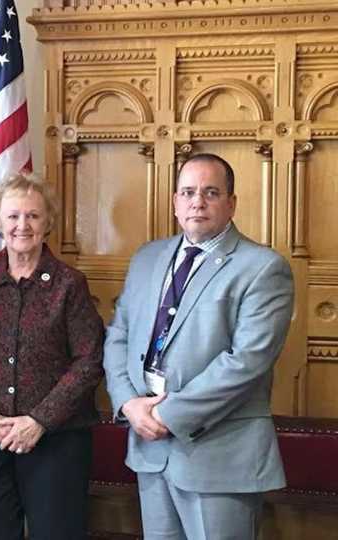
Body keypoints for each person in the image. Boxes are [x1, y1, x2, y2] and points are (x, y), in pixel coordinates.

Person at [104, 153, 294, 539]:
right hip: (149, 448)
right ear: (175, 201)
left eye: (211, 192)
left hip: (220, 454)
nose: (198, 202)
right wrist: (127, 403)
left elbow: (245, 362)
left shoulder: (262, 267)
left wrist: (165, 415)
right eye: (188, 192)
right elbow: (118, 336)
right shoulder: (147, 258)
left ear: (231, 203)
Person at [0, 173, 105, 540]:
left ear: (47, 221)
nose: (23, 225)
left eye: (33, 216)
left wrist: (39, 420)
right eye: (14, 215)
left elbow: (88, 360)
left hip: (56, 442)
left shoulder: (70, 285)